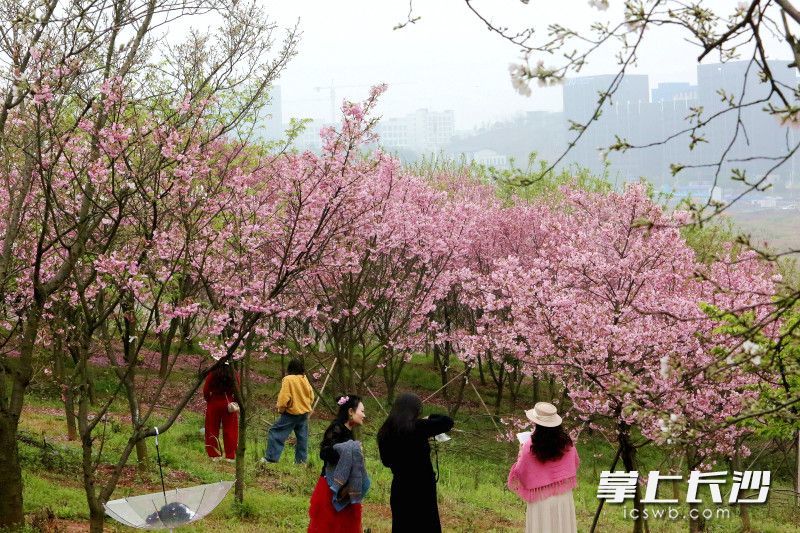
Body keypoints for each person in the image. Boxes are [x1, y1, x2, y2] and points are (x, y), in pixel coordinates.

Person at [376, 392, 454, 533]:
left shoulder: (385, 431)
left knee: (402, 525)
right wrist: (430, 418)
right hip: (422, 487)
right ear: (415, 410)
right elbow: (447, 422)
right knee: (426, 524)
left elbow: (386, 462)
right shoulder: (418, 427)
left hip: (401, 487)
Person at [507, 402, 580, 533]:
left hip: (540, 498)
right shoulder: (567, 443)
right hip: (563, 495)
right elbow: (574, 464)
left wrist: (520, 453)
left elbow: (521, 472)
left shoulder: (529, 446)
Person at [308, 394, 366, 533]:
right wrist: (348, 449)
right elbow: (325, 453)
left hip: (346, 488)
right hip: (331, 486)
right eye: (362, 411)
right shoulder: (336, 428)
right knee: (328, 525)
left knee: (344, 525)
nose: (364, 415)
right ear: (351, 412)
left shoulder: (349, 431)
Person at [264, 358, 314, 463]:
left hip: (291, 412)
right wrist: (307, 406)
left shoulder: (288, 379)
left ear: (290, 368)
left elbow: (284, 398)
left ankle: (271, 458)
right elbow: (311, 395)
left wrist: (281, 409)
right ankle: (301, 461)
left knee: (276, 432)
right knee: (302, 437)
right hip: (304, 412)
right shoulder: (304, 378)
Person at [202, 365, 240, 462]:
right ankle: (230, 456)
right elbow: (238, 390)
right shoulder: (234, 373)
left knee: (211, 428)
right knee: (230, 430)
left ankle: (213, 454)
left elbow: (206, 389)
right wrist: (234, 401)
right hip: (229, 403)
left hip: (214, 402)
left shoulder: (212, 373)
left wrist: (209, 400)